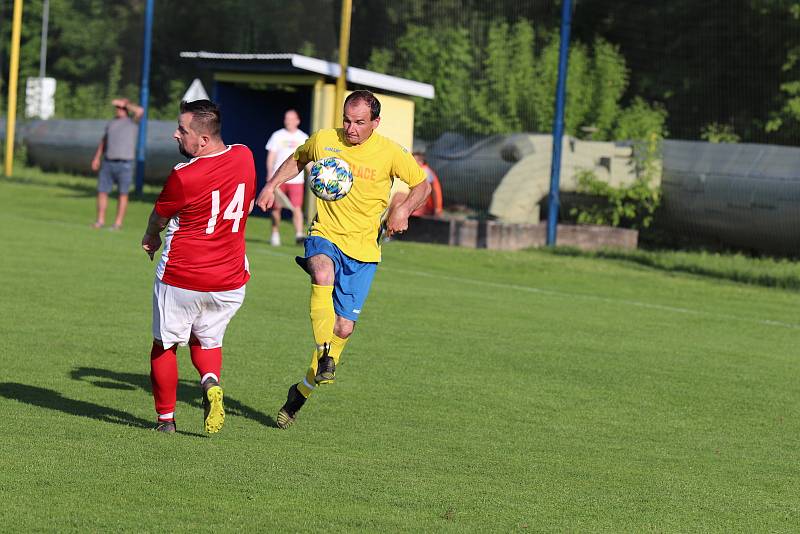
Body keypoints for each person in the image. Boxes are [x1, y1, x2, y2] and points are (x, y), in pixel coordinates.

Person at [255, 89, 431, 429]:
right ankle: (324, 350)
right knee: (321, 273)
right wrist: (271, 185)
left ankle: (301, 392)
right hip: (326, 234)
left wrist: (404, 210)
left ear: (375, 123)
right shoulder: (324, 140)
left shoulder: (390, 152)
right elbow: (299, 158)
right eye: (347, 121)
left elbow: (421, 184)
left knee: (344, 326)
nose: (351, 129)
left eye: (360, 123)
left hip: (364, 250)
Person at [141, 99, 257, 434]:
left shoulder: (184, 175)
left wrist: (150, 236)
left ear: (203, 140)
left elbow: (159, 216)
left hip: (183, 276)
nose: (175, 135)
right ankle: (210, 382)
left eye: (183, 130)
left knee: (164, 345)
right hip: (230, 280)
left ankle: (166, 421)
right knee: (206, 339)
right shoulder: (245, 156)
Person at [91, 98, 143, 230]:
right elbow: (104, 141)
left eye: (121, 108)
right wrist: (97, 157)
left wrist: (126, 104)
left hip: (125, 163)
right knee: (102, 191)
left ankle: (117, 223)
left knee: (123, 193)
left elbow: (140, 111)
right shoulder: (112, 123)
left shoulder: (132, 122)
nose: (118, 110)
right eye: (117, 108)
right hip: (108, 161)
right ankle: (100, 221)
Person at [265, 109, 309, 246]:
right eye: (287, 118)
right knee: (276, 208)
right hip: (279, 178)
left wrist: (313, 175)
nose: (289, 121)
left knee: (296, 208)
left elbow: (308, 159)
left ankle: (299, 235)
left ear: (298, 121)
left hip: (296, 180)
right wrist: (270, 174)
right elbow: (271, 157)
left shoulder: (303, 137)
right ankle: (275, 234)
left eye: (292, 119)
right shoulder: (277, 136)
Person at [411, 149, 443, 217]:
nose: (411, 163)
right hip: (427, 205)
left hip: (428, 207)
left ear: (421, 161)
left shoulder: (424, 170)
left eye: (413, 160)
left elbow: (434, 191)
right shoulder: (422, 171)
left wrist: (437, 209)